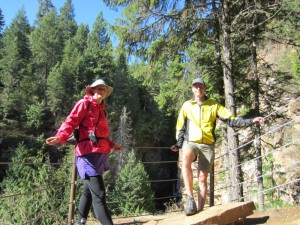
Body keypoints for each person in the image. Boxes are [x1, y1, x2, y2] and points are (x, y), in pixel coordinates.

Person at [170, 77, 264, 216]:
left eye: (201, 86)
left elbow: (231, 120)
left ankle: (200, 211)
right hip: (191, 142)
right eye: (195, 87)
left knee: (203, 178)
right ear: (192, 89)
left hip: (208, 144)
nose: (198, 89)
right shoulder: (187, 105)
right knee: (186, 160)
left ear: (205, 88)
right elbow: (180, 126)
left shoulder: (214, 105)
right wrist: (178, 144)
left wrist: (250, 121)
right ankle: (190, 199)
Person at [46, 79, 122, 225]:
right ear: (92, 90)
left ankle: (80, 223)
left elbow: (101, 135)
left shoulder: (102, 111)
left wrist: (112, 145)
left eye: (104, 89)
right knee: (99, 194)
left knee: (88, 191)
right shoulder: (84, 104)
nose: (101, 91)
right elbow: (71, 121)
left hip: (99, 154)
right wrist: (60, 136)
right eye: (98, 88)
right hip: (87, 154)